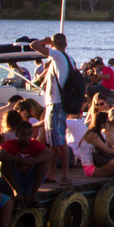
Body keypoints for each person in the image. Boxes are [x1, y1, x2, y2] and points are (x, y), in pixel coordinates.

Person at [29, 33, 75, 186]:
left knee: (59, 140)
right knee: (54, 140)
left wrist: (44, 41)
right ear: (66, 44)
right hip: (62, 103)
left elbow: (33, 45)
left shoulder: (57, 55)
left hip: (56, 103)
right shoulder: (69, 59)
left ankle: (65, 175)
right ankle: (51, 172)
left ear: (53, 45)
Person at [0, 120, 52, 207]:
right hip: (13, 181)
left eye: (29, 135)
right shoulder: (10, 144)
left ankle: (33, 194)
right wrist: (20, 160)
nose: (27, 137)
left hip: (29, 180)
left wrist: (31, 162)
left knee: (43, 162)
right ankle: (17, 192)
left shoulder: (34, 144)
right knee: (3, 162)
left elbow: (49, 153)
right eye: (23, 135)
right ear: (17, 134)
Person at [76, 111, 114, 179]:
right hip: (92, 169)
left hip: (100, 162)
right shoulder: (93, 135)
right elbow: (107, 150)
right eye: (108, 122)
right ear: (102, 123)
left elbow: (111, 144)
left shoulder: (100, 133)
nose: (109, 123)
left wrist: (108, 131)